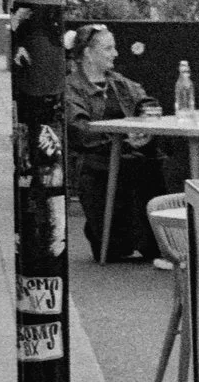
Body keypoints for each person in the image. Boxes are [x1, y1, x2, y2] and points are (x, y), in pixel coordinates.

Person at [65, 25, 183, 262]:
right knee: (112, 252)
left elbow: (146, 101)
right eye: (108, 48)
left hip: (131, 156)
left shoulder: (118, 83)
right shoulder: (71, 87)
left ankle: (160, 239)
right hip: (98, 160)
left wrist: (146, 119)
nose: (116, 53)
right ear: (88, 53)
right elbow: (81, 131)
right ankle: (107, 233)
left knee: (162, 165)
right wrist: (124, 141)